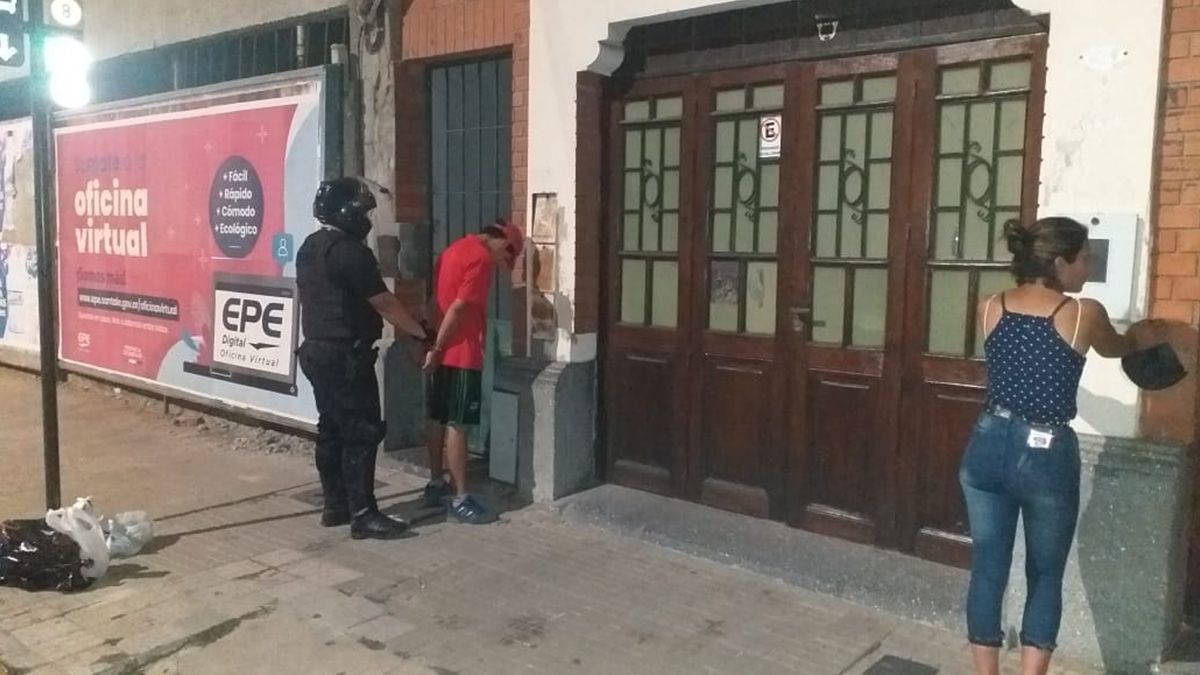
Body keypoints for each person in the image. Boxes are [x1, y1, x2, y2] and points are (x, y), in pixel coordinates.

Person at [960, 217, 1159, 675]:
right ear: (1059, 263)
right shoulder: (1083, 313)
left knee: (987, 566)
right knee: (1045, 574)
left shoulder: (989, 306)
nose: (1089, 266)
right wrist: (1143, 337)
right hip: (1046, 454)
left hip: (988, 441)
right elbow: (1117, 348)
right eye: (1084, 257)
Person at [296, 177, 435, 540]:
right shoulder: (350, 253)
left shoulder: (311, 247)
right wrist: (420, 332)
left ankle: (335, 506)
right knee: (361, 432)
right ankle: (363, 514)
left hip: (316, 352)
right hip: (346, 356)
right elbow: (384, 303)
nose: (367, 219)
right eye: (362, 212)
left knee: (331, 429)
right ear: (346, 213)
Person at [422, 219, 524, 524]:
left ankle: (436, 482)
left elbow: (434, 301)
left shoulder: (452, 250)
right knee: (459, 423)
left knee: (437, 417)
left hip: (443, 349)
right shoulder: (480, 259)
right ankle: (460, 497)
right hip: (462, 351)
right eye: (506, 258)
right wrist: (439, 347)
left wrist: (429, 340)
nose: (501, 265)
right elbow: (459, 307)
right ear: (504, 243)